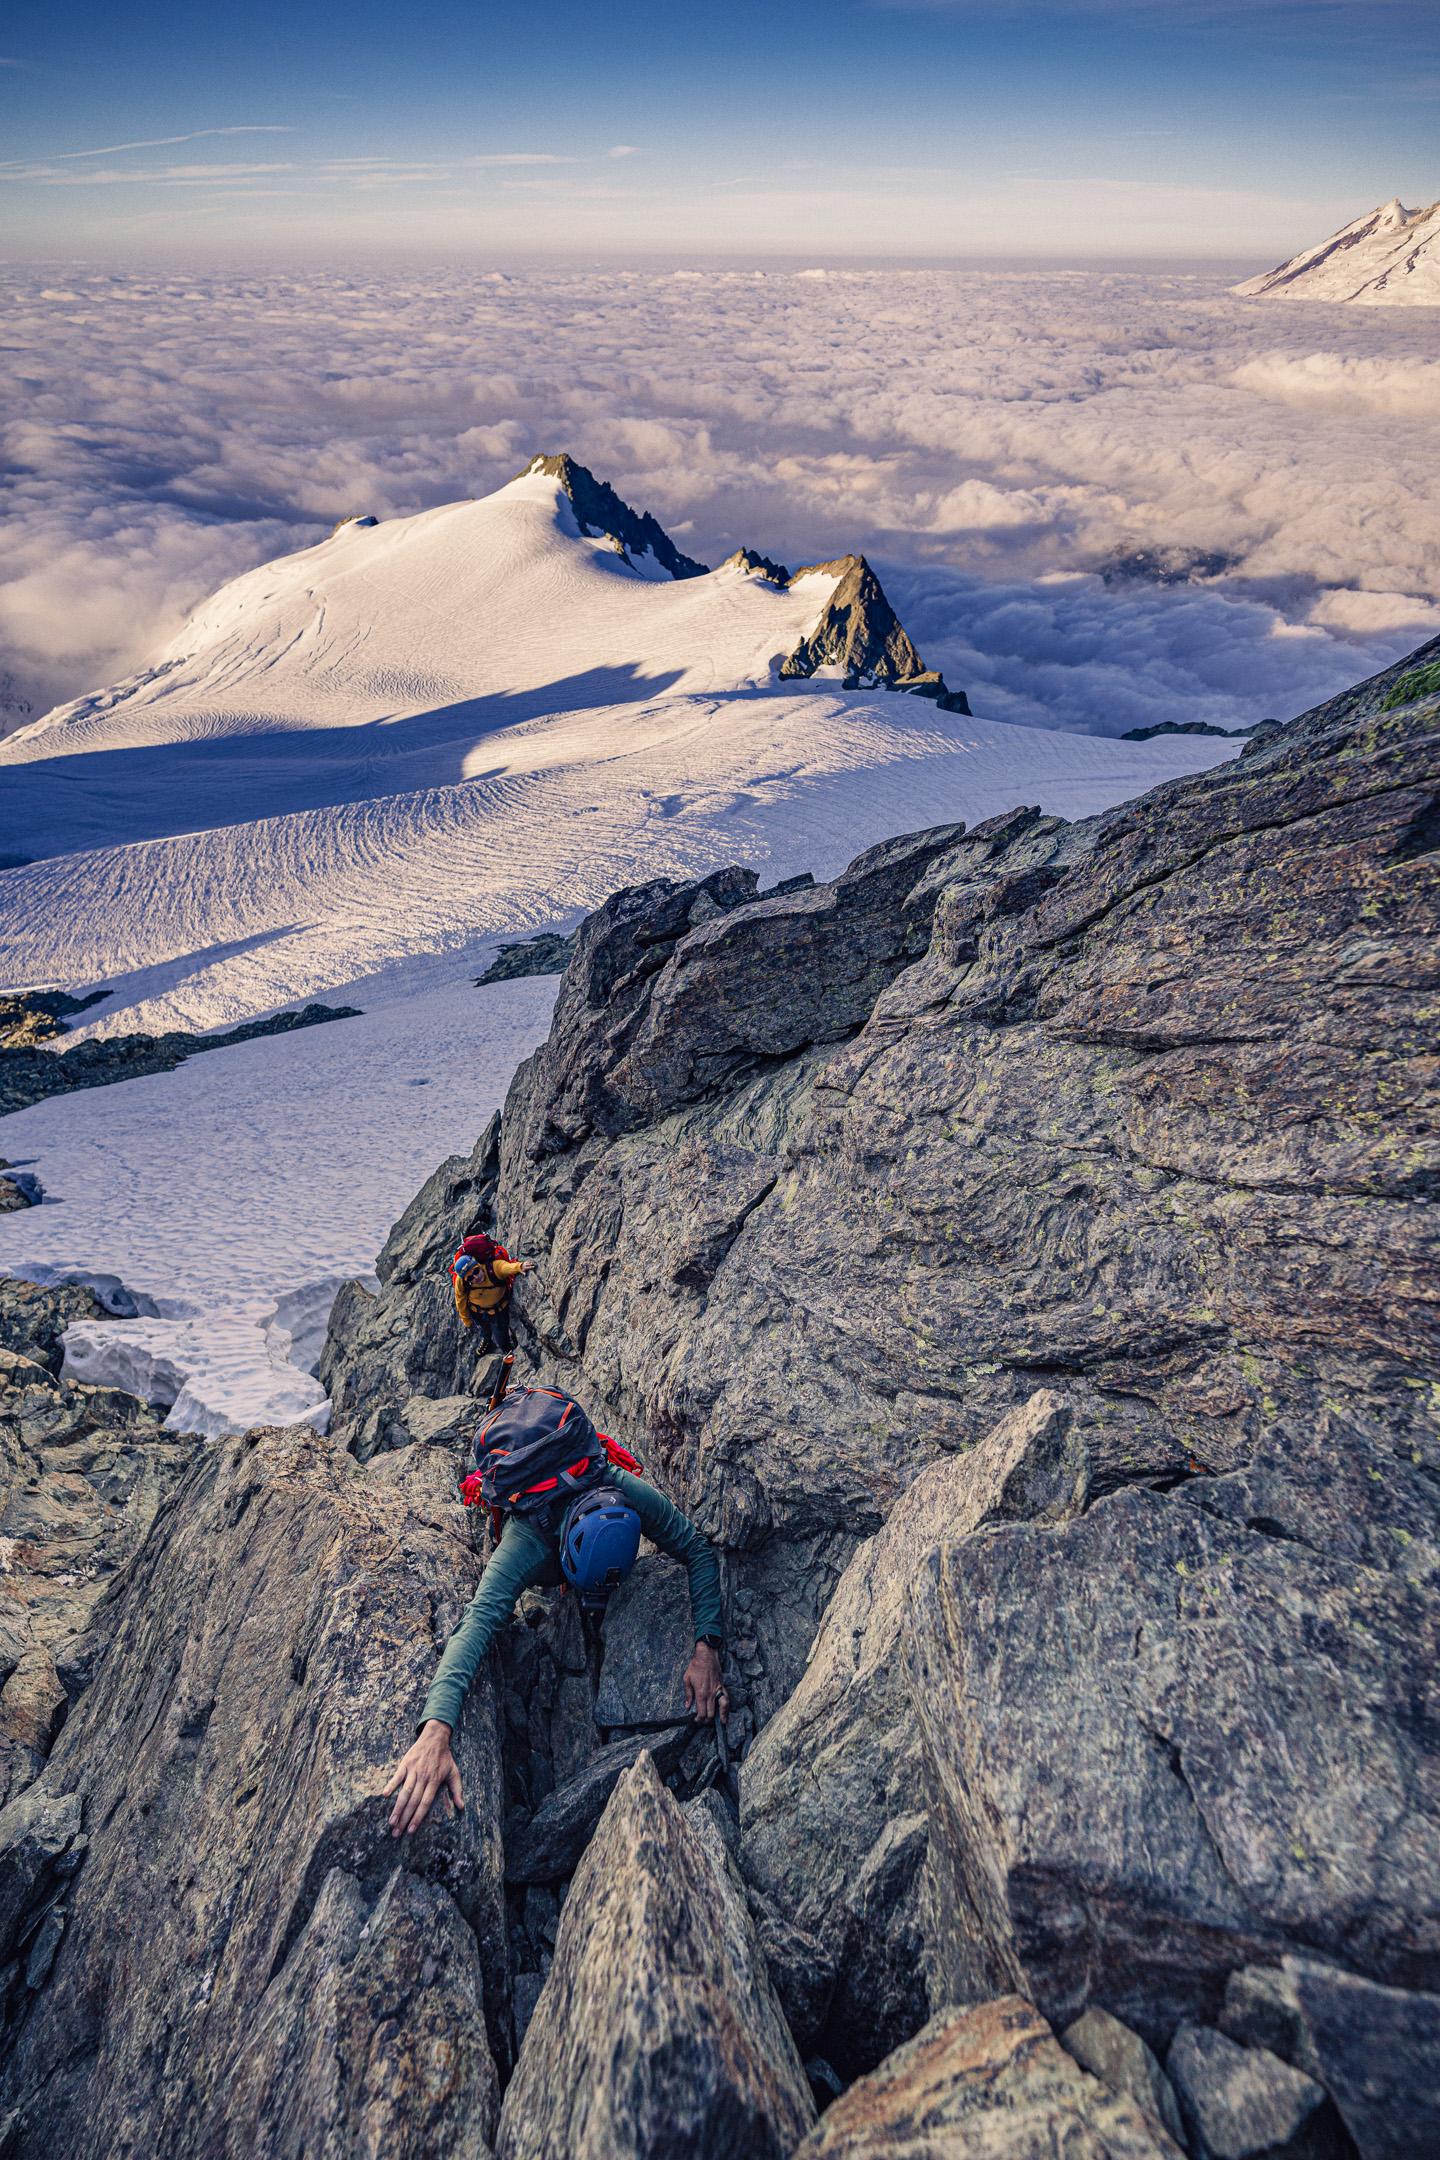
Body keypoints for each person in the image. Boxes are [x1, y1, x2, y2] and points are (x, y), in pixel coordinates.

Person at [384, 1429, 727, 1837]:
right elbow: (474, 1626)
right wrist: (436, 1730)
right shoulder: (525, 1543)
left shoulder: (616, 1483)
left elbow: (696, 1547)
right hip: (536, 1519)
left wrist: (707, 1647)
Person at [452, 1231, 530, 1367]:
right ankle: (486, 1339)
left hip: (498, 1313)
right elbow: (460, 1301)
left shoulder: (493, 1268)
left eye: (476, 1271)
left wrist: (519, 1267)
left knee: (501, 1339)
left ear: (478, 1265)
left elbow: (506, 1267)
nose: (476, 1278)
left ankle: (508, 1353)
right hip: (477, 1312)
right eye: (470, 1278)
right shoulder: (461, 1281)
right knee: (484, 1329)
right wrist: (466, 1320)